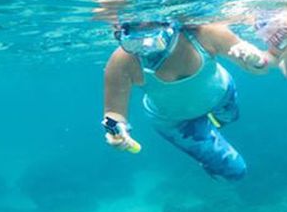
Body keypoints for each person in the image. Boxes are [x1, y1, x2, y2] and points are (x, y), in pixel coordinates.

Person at [102, 19, 270, 180]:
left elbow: (260, 70)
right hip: (175, 122)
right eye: (132, 41)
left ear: (169, 24)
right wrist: (115, 131)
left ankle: (215, 123)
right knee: (234, 171)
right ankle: (206, 144)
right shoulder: (122, 61)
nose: (145, 49)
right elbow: (113, 113)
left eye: (153, 37)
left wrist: (256, 59)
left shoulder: (205, 33)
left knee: (230, 118)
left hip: (222, 95)